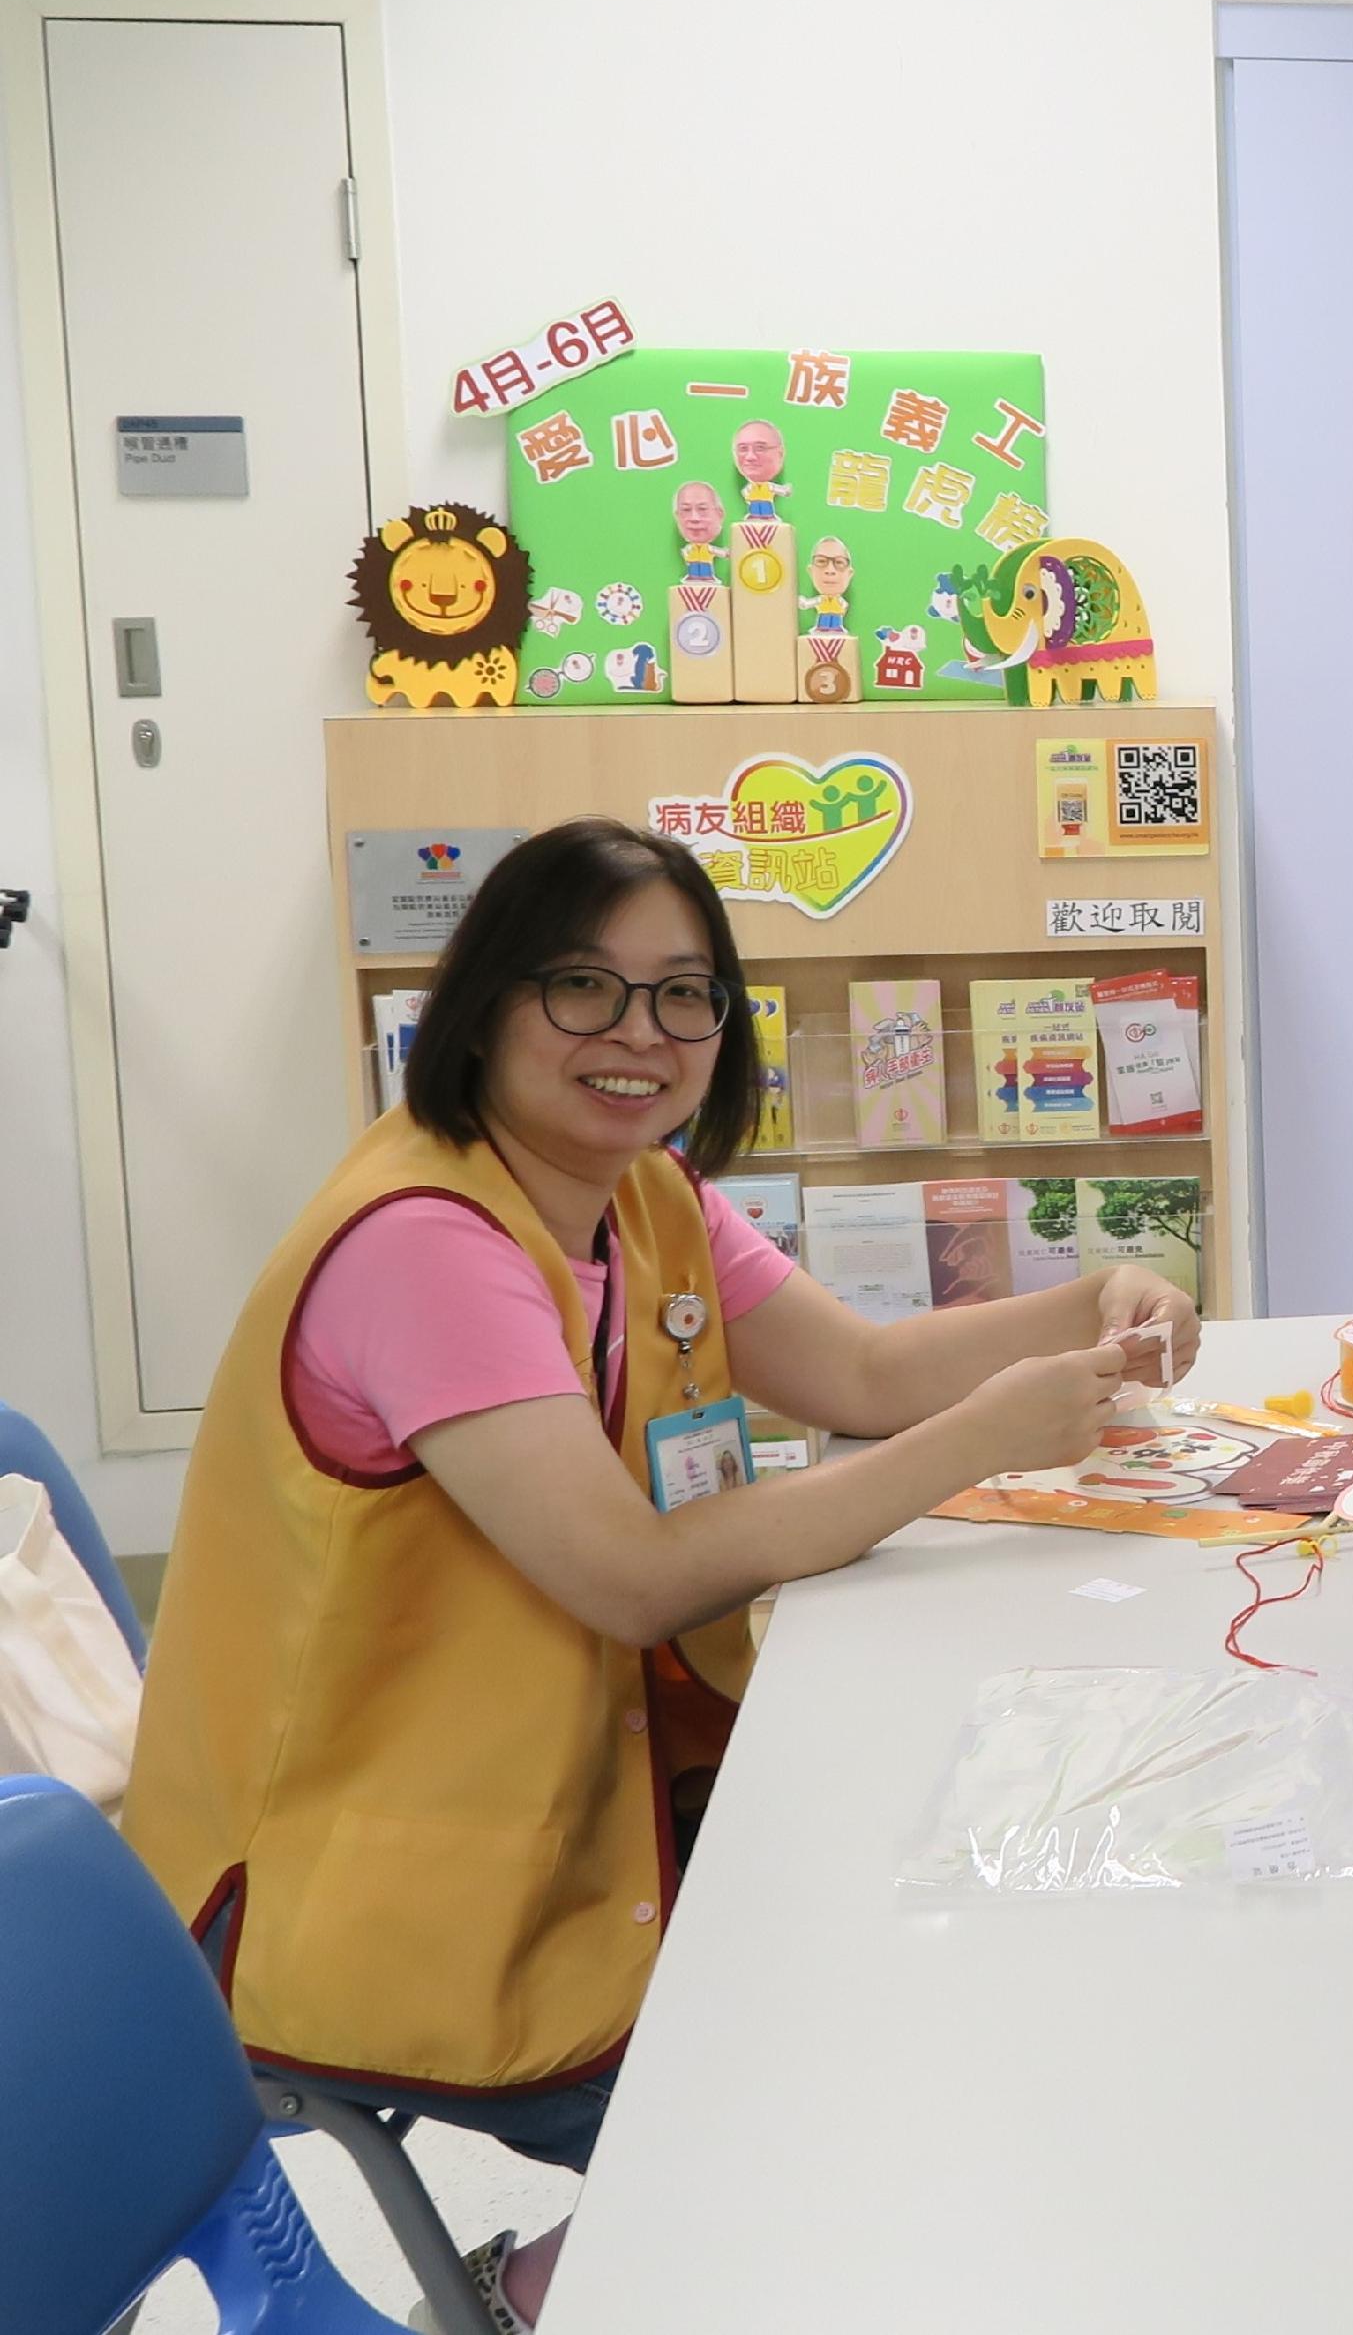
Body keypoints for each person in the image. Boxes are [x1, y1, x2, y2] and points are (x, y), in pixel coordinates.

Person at [122, 819, 1195, 2331]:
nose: (640, 1034)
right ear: (485, 1003)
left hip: (574, 1797)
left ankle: (615, 2266)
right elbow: (633, 1577)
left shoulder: (642, 1199)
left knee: (943, 1924)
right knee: (873, 2061)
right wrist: (983, 1438)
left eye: (684, 993)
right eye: (584, 985)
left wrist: (1093, 1296)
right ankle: (560, 2287)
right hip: (371, 1885)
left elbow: (867, 1368)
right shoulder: (425, 1243)